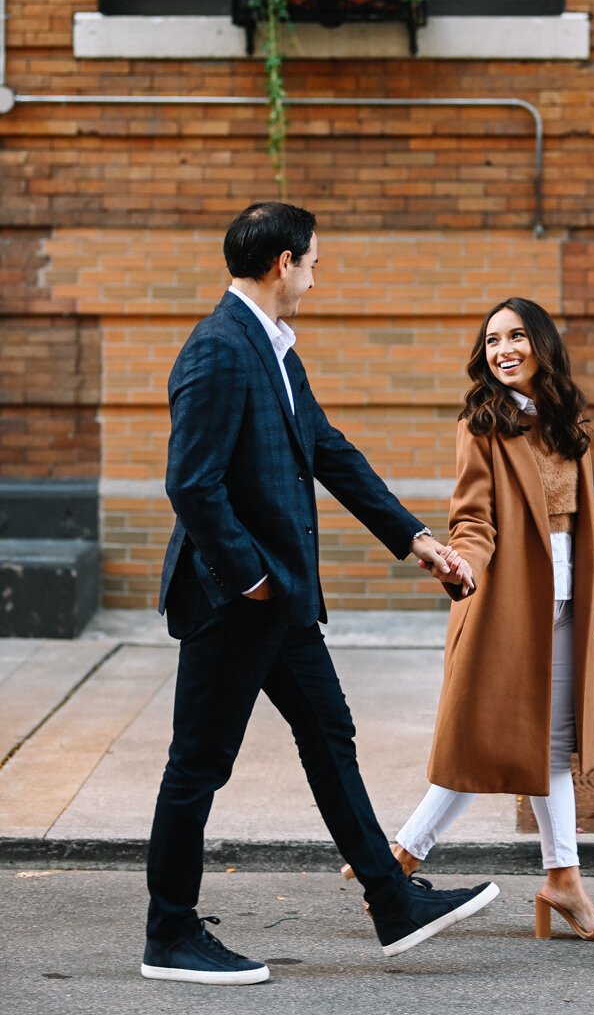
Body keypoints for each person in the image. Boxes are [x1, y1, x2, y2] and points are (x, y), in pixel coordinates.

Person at [142, 201, 498, 985]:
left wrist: (417, 540)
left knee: (330, 736)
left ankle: (391, 901)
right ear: (283, 263)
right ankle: (169, 934)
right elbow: (191, 485)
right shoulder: (218, 350)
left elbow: (327, 450)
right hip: (236, 599)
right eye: (313, 261)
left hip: (281, 598)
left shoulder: (272, 346)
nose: (316, 274)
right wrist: (254, 577)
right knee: (198, 764)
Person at [378, 297, 594, 941]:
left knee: (546, 749)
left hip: (570, 605)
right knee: (489, 744)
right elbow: (473, 516)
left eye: (516, 336)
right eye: (492, 341)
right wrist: (466, 565)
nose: (503, 350)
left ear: (542, 345)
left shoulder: (568, 421)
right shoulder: (483, 423)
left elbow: (585, 519)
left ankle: (556, 879)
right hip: (512, 603)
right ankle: (405, 859)